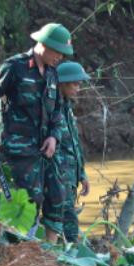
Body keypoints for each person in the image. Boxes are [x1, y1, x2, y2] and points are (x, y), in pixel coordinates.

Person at [0, 22, 72, 242]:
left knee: (57, 197)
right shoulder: (15, 67)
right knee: (28, 200)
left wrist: (53, 136)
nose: (60, 57)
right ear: (43, 45)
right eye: (57, 51)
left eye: (63, 53)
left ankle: (48, 251)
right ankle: (16, 246)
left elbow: (58, 110)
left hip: (44, 150)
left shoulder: (52, 74)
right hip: (19, 149)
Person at [53, 60, 92, 243]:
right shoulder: (50, 109)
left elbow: (74, 144)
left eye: (79, 84)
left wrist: (82, 174)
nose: (78, 88)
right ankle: (71, 253)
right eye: (75, 84)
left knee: (68, 215)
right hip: (57, 176)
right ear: (62, 84)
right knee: (66, 217)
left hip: (70, 176)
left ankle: (69, 249)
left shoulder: (67, 108)